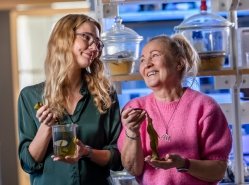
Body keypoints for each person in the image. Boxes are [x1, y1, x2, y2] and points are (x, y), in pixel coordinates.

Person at [17, 14, 123, 185]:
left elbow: (119, 158)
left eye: (97, 42)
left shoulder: (105, 94)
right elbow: (28, 164)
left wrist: (87, 152)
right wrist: (46, 127)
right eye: (87, 37)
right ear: (63, 38)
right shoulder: (29, 96)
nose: (94, 46)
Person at [117, 34, 232, 185]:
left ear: (179, 63)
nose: (147, 64)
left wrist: (184, 164)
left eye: (154, 56)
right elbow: (133, 169)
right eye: (143, 60)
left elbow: (218, 170)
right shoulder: (135, 109)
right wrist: (132, 132)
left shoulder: (205, 107)